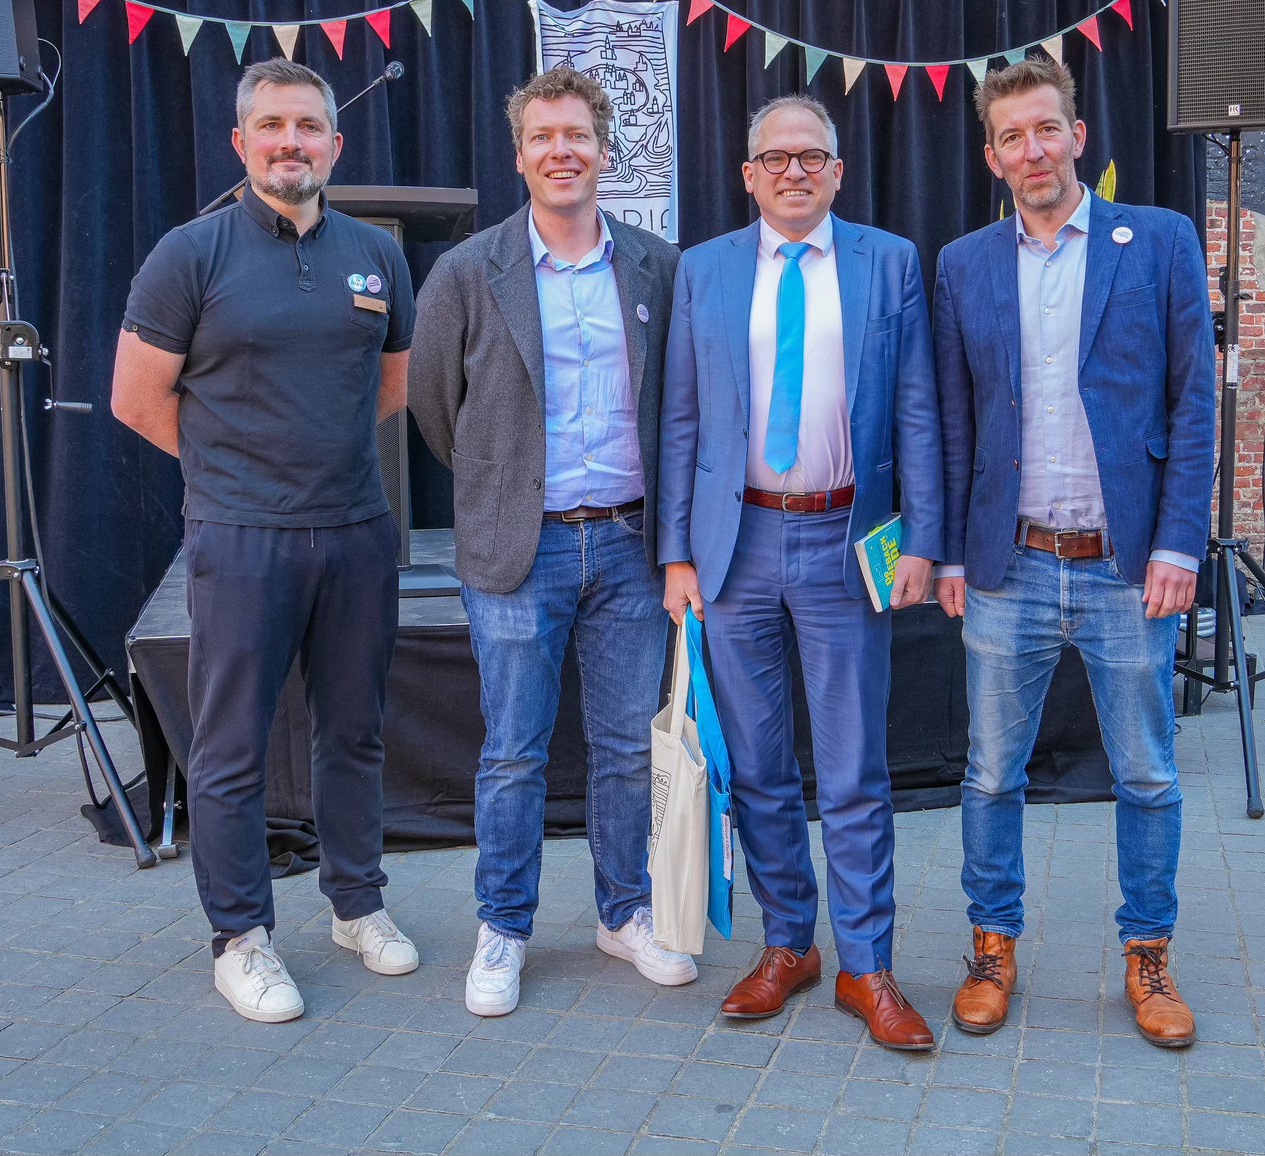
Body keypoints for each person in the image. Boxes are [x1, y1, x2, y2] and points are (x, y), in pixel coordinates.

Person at [112, 58, 419, 1025]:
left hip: (359, 533)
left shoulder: (377, 253)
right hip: (242, 538)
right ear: (242, 143)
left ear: (336, 142)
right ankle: (241, 935)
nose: (292, 141)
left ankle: (356, 904)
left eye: (309, 126)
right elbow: (135, 398)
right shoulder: (188, 255)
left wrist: (316, 468)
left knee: (355, 731)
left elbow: (391, 386)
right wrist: (234, 473)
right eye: (273, 125)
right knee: (232, 747)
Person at [931, 56, 1215, 1048]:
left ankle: (1147, 955)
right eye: (1010, 136)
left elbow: (1192, 405)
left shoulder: (1160, 242)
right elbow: (956, 422)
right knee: (989, 774)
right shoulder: (963, 264)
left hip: (1125, 565)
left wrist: (1180, 539)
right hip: (1007, 563)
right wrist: (953, 553)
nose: (1031, 149)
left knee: (1143, 774)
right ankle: (990, 947)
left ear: (1076, 137)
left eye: (1045, 128)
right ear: (991, 155)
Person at [659, 95, 944, 1051]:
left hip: (842, 540)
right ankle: (791, 944)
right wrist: (677, 553)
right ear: (747, 174)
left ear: (836, 171)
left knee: (855, 765)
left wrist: (924, 543)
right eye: (774, 158)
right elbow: (683, 423)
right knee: (761, 763)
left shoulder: (888, 262)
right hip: (733, 546)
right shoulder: (703, 270)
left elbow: (917, 415)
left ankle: (866, 963)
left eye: (810, 157)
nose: (792, 172)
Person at [409, 66, 690, 1018]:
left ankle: (624, 912)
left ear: (606, 152)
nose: (561, 151)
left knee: (622, 746)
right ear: (521, 153)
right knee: (513, 753)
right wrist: (504, 485)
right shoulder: (466, 271)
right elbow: (435, 409)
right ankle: (504, 926)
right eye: (543, 137)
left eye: (578, 135)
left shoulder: (658, 265)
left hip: (627, 547)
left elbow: (679, 409)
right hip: (514, 550)